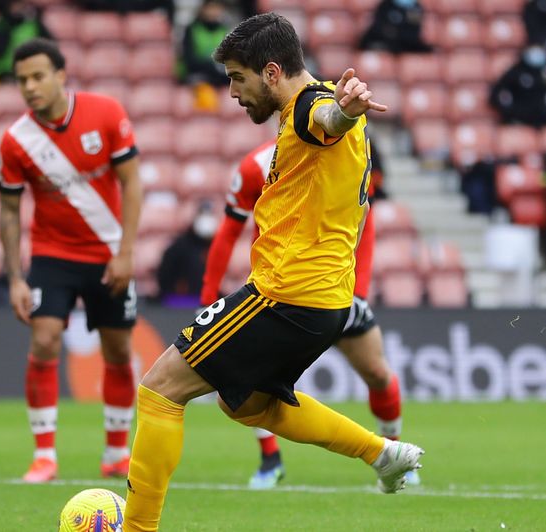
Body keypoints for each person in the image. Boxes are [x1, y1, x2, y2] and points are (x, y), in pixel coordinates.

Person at [123, 14, 423, 530]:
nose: (233, 92)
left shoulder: (310, 106)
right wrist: (344, 113)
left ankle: (136, 528)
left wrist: (345, 115)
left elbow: (328, 120)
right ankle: (380, 453)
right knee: (246, 405)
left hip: (287, 294)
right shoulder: (312, 101)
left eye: (238, 78)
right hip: (325, 301)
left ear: (271, 71)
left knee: (159, 388)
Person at [200, 139, 420, 490]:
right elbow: (228, 233)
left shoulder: (338, 155)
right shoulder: (254, 167)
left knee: (378, 374)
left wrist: (359, 292)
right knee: (247, 382)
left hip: (334, 289)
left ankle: (395, 452)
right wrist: (208, 294)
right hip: (278, 295)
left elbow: (365, 217)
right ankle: (271, 460)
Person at [0, 38, 143, 484]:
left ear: (61, 75)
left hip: (106, 254)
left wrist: (126, 253)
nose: (29, 87)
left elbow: (132, 183)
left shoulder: (106, 113)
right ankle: (44, 456)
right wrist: (16, 278)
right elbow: (8, 210)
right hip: (52, 255)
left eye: (38, 76)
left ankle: (116, 452)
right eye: (22, 80)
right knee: (43, 341)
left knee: (118, 350)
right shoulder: (16, 141)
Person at [156, 201, 218, 306]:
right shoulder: (179, 246)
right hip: (179, 302)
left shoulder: (215, 247)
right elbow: (164, 275)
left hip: (205, 301)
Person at [0, 0, 54, 83]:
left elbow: (49, 47)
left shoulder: (35, 25)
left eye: (21, 5)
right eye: (15, 5)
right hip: (4, 74)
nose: (18, 9)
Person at [179, 0, 235, 87]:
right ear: (203, 9)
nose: (213, 12)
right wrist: (212, 66)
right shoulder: (192, 29)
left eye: (217, 8)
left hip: (219, 76)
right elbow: (189, 61)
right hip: (198, 74)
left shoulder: (224, 30)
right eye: (210, 8)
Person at [490, 44, 546, 127]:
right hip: (514, 121)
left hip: (537, 123)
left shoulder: (541, 75)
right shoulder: (515, 73)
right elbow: (497, 96)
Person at [358, 0, 431, 53]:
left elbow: (414, 31)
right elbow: (380, 28)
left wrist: (396, 31)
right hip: (386, 41)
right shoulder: (386, 5)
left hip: (405, 44)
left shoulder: (415, 8)